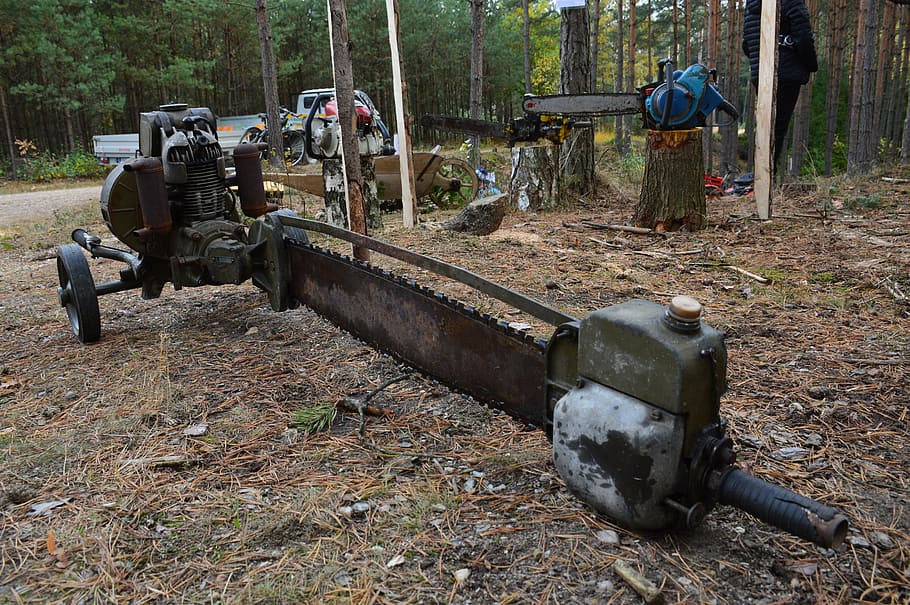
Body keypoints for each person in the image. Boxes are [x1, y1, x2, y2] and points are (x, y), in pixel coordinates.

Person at [742, 0, 818, 176]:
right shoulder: (792, 2)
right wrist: (811, 65)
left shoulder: (752, 4)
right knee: (777, 128)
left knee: (765, 125)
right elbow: (804, 37)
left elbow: (746, 43)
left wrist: (759, 59)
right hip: (786, 72)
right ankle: (766, 178)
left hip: (761, 72)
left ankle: (762, 177)